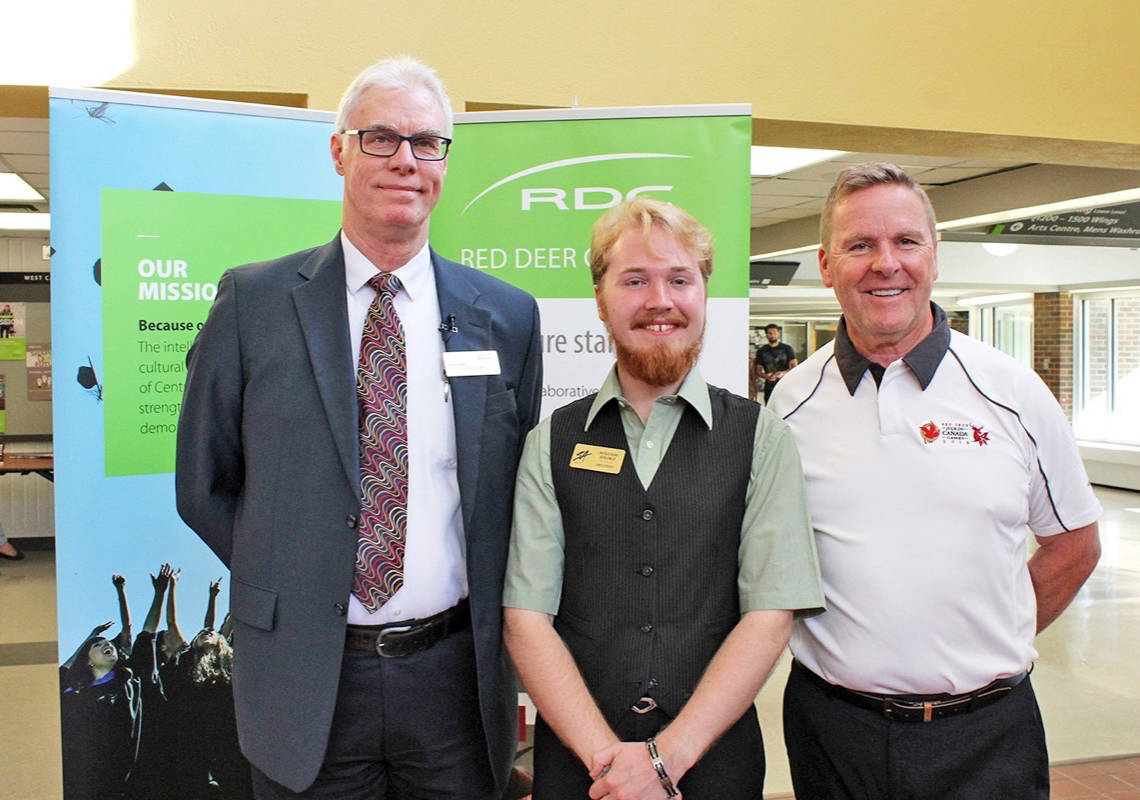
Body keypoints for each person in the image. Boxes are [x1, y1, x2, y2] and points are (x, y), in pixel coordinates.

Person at [176, 56, 542, 799]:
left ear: (444, 161)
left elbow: (517, 491)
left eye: (427, 142)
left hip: (454, 684)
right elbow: (202, 483)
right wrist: (290, 576)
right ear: (339, 150)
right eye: (380, 137)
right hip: (305, 679)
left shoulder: (504, 317)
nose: (405, 159)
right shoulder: (255, 303)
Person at [768, 162, 1103, 800]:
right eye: (859, 245)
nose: (884, 263)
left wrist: (986, 636)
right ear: (825, 264)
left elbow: (1074, 544)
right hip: (833, 733)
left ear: (935, 257)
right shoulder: (788, 402)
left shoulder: (1011, 392)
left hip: (987, 736)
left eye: (906, 241)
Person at [503, 198, 823, 799]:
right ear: (600, 299)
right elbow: (526, 619)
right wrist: (609, 764)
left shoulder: (760, 437)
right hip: (580, 767)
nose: (660, 301)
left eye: (680, 279)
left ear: (704, 295)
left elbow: (770, 613)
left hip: (714, 763)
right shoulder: (550, 443)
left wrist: (663, 761)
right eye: (635, 281)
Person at [752, 323, 797, 403]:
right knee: (770, 409)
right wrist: (766, 376)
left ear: (778, 334)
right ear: (766, 335)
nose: (773, 335)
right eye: (770, 333)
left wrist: (783, 373)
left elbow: (795, 367)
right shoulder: (762, 351)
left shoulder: (787, 348)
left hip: (785, 384)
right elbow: (757, 371)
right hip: (769, 386)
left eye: (775, 333)